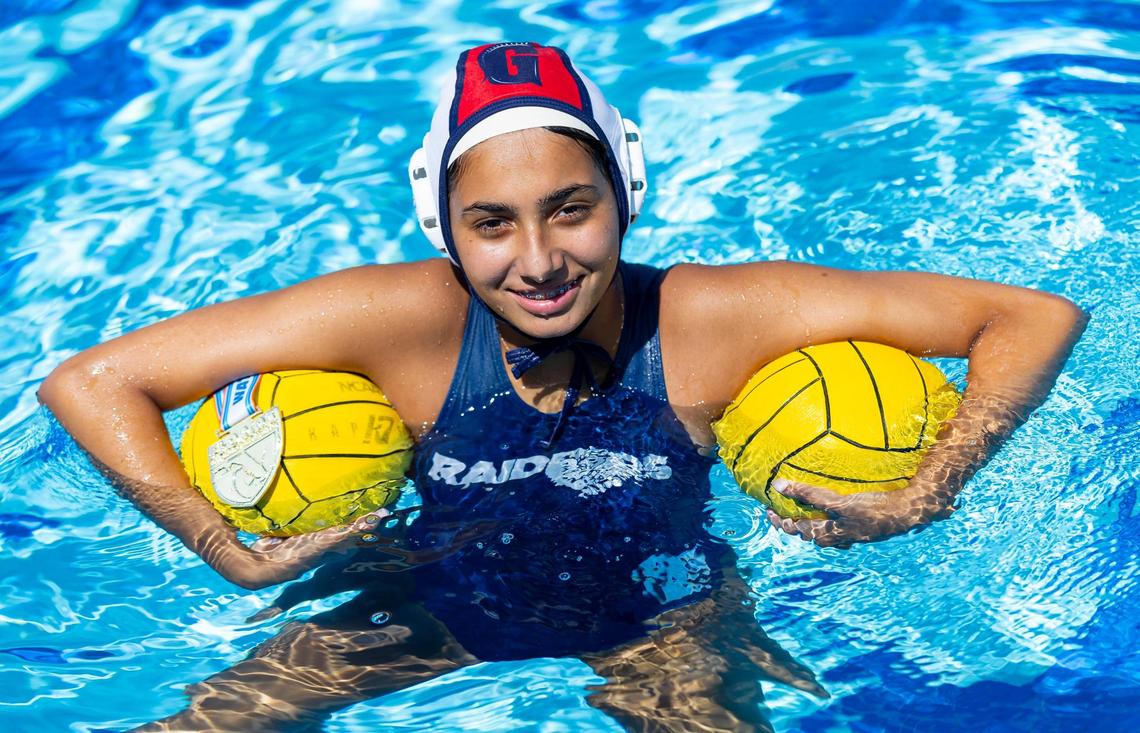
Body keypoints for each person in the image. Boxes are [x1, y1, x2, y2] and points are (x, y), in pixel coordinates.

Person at [38, 42, 1086, 732]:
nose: (537, 260)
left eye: (571, 208)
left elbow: (1034, 317)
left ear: (624, 194)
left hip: (665, 618)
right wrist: (226, 550)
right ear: (442, 225)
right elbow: (93, 380)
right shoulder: (397, 322)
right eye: (492, 223)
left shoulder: (714, 321)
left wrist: (928, 489)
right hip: (417, 601)